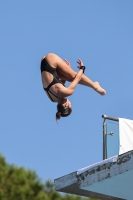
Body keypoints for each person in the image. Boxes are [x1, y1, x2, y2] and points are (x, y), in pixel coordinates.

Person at [40, 53, 106, 120]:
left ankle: (95, 86)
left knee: (73, 76)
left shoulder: (67, 92)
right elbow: (58, 84)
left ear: (66, 105)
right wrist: (67, 69)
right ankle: (94, 85)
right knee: (70, 78)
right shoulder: (52, 99)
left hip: (51, 60)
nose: (71, 102)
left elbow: (77, 77)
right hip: (44, 63)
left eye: (70, 105)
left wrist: (82, 68)